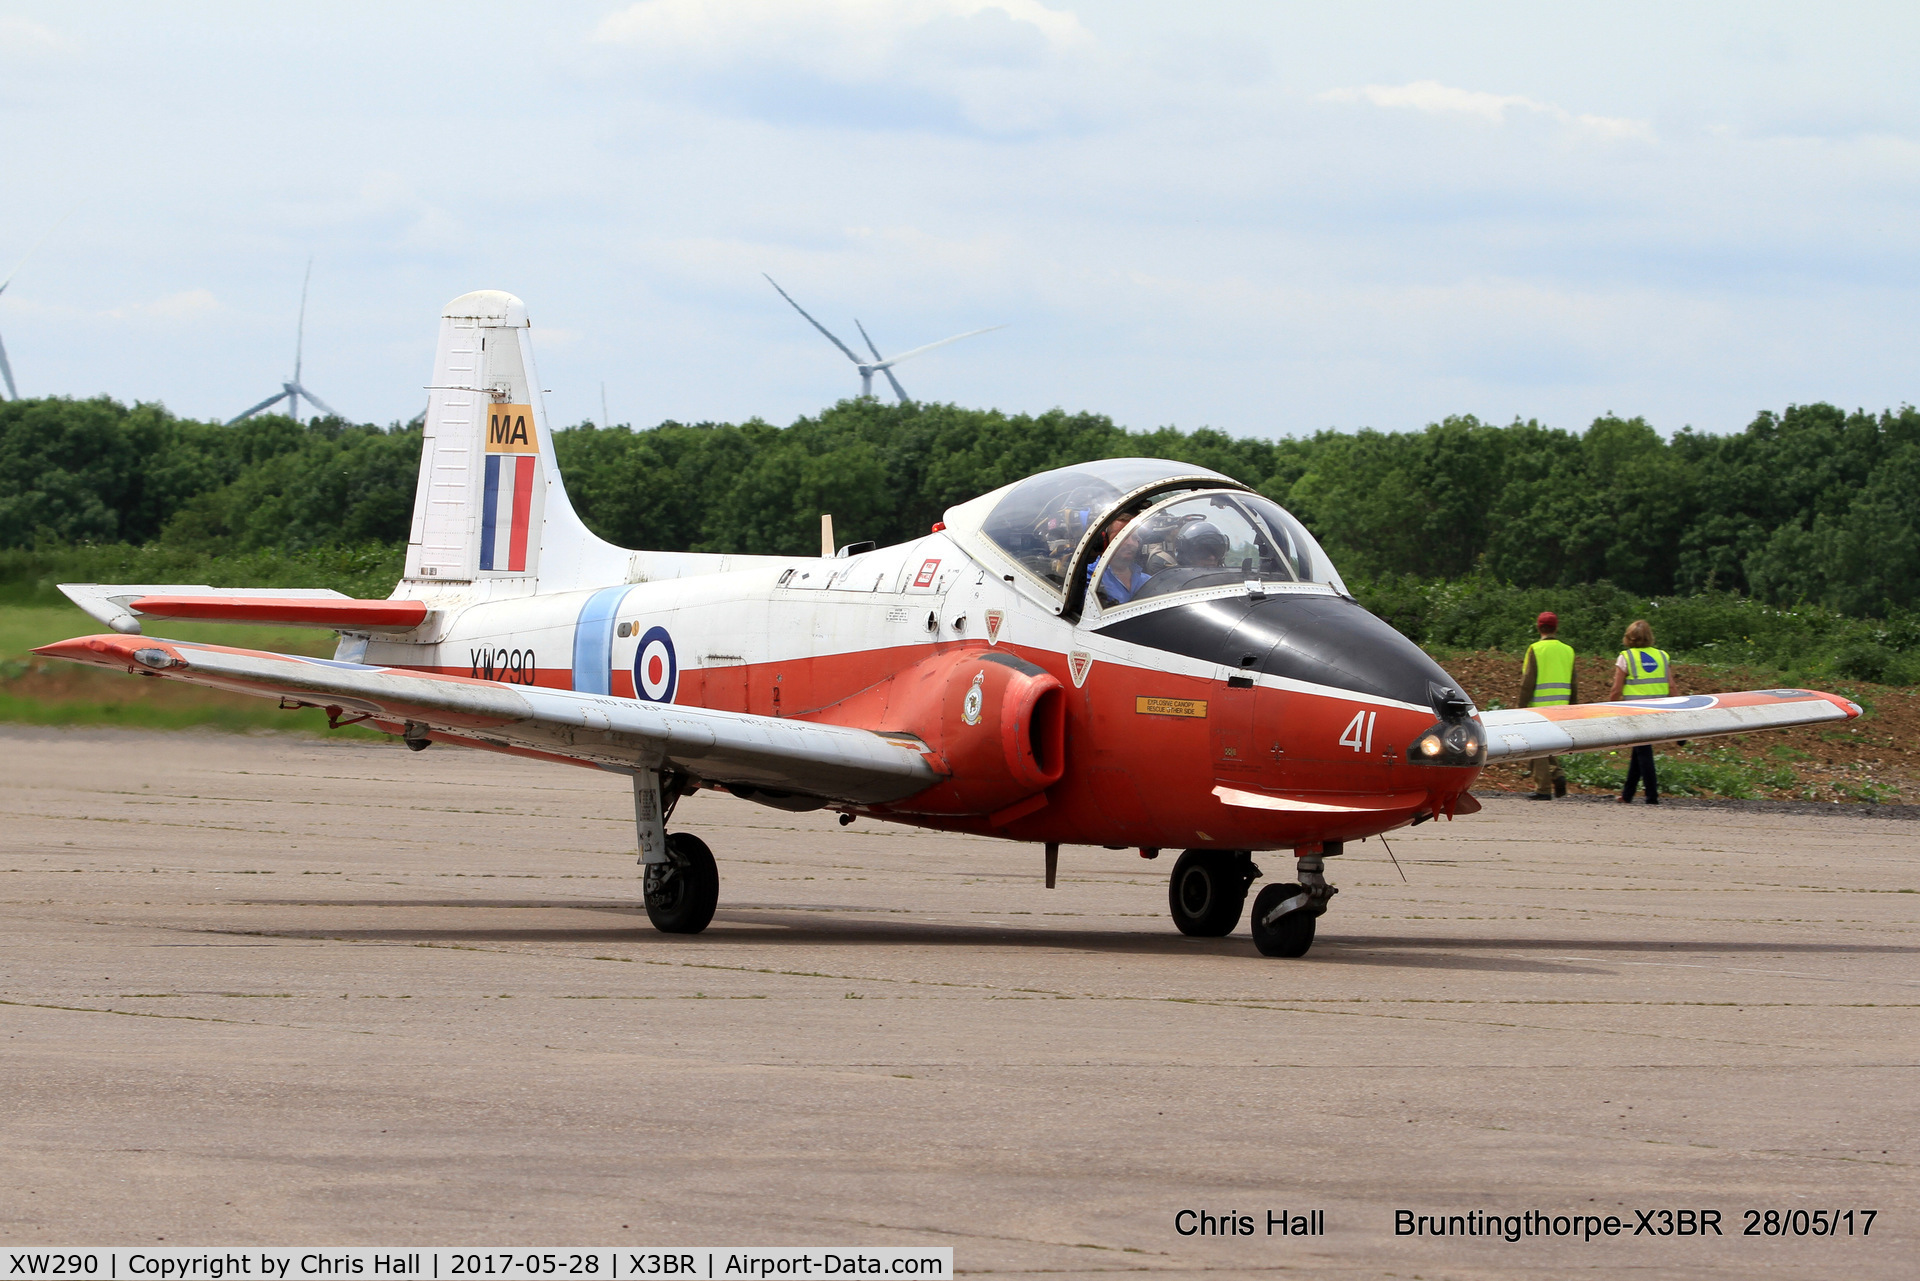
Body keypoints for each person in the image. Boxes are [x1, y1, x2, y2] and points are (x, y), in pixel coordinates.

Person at [1608, 618, 1671, 804]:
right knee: (1639, 750)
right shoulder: (1662, 656)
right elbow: (1673, 687)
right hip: (1659, 709)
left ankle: (1652, 796)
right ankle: (1627, 795)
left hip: (1635, 711)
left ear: (1629, 637)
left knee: (1643, 751)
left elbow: (1616, 690)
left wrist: (1610, 709)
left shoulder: (1625, 657)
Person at [1518, 610, 1577, 799]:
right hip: (1561, 707)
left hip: (1538, 707)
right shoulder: (1568, 650)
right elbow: (1574, 682)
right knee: (1548, 746)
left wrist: (1519, 707)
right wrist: (1574, 707)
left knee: (1538, 746)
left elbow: (1528, 681)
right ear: (1556, 627)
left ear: (1538, 627)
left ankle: (1543, 789)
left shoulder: (1535, 649)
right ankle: (1557, 774)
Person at [1095, 517, 1151, 606]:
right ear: (1105, 542)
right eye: (1121, 537)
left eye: (1134, 538)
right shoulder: (1090, 578)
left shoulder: (1148, 581)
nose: (1130, 543)